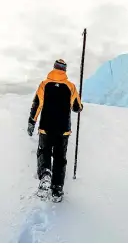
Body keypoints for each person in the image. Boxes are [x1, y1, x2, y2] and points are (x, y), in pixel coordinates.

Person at [27, 59, 83, 202]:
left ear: (54, 68)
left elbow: (37, 104)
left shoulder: (44, 84)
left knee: (44, 151)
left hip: (46, 127)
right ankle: (57, 190)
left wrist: (32, 121)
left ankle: (45, 173)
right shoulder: (71, 87)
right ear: (64, 70)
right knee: (60, 158)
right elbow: (77, 107)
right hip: (63, 130)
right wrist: (80, 106)